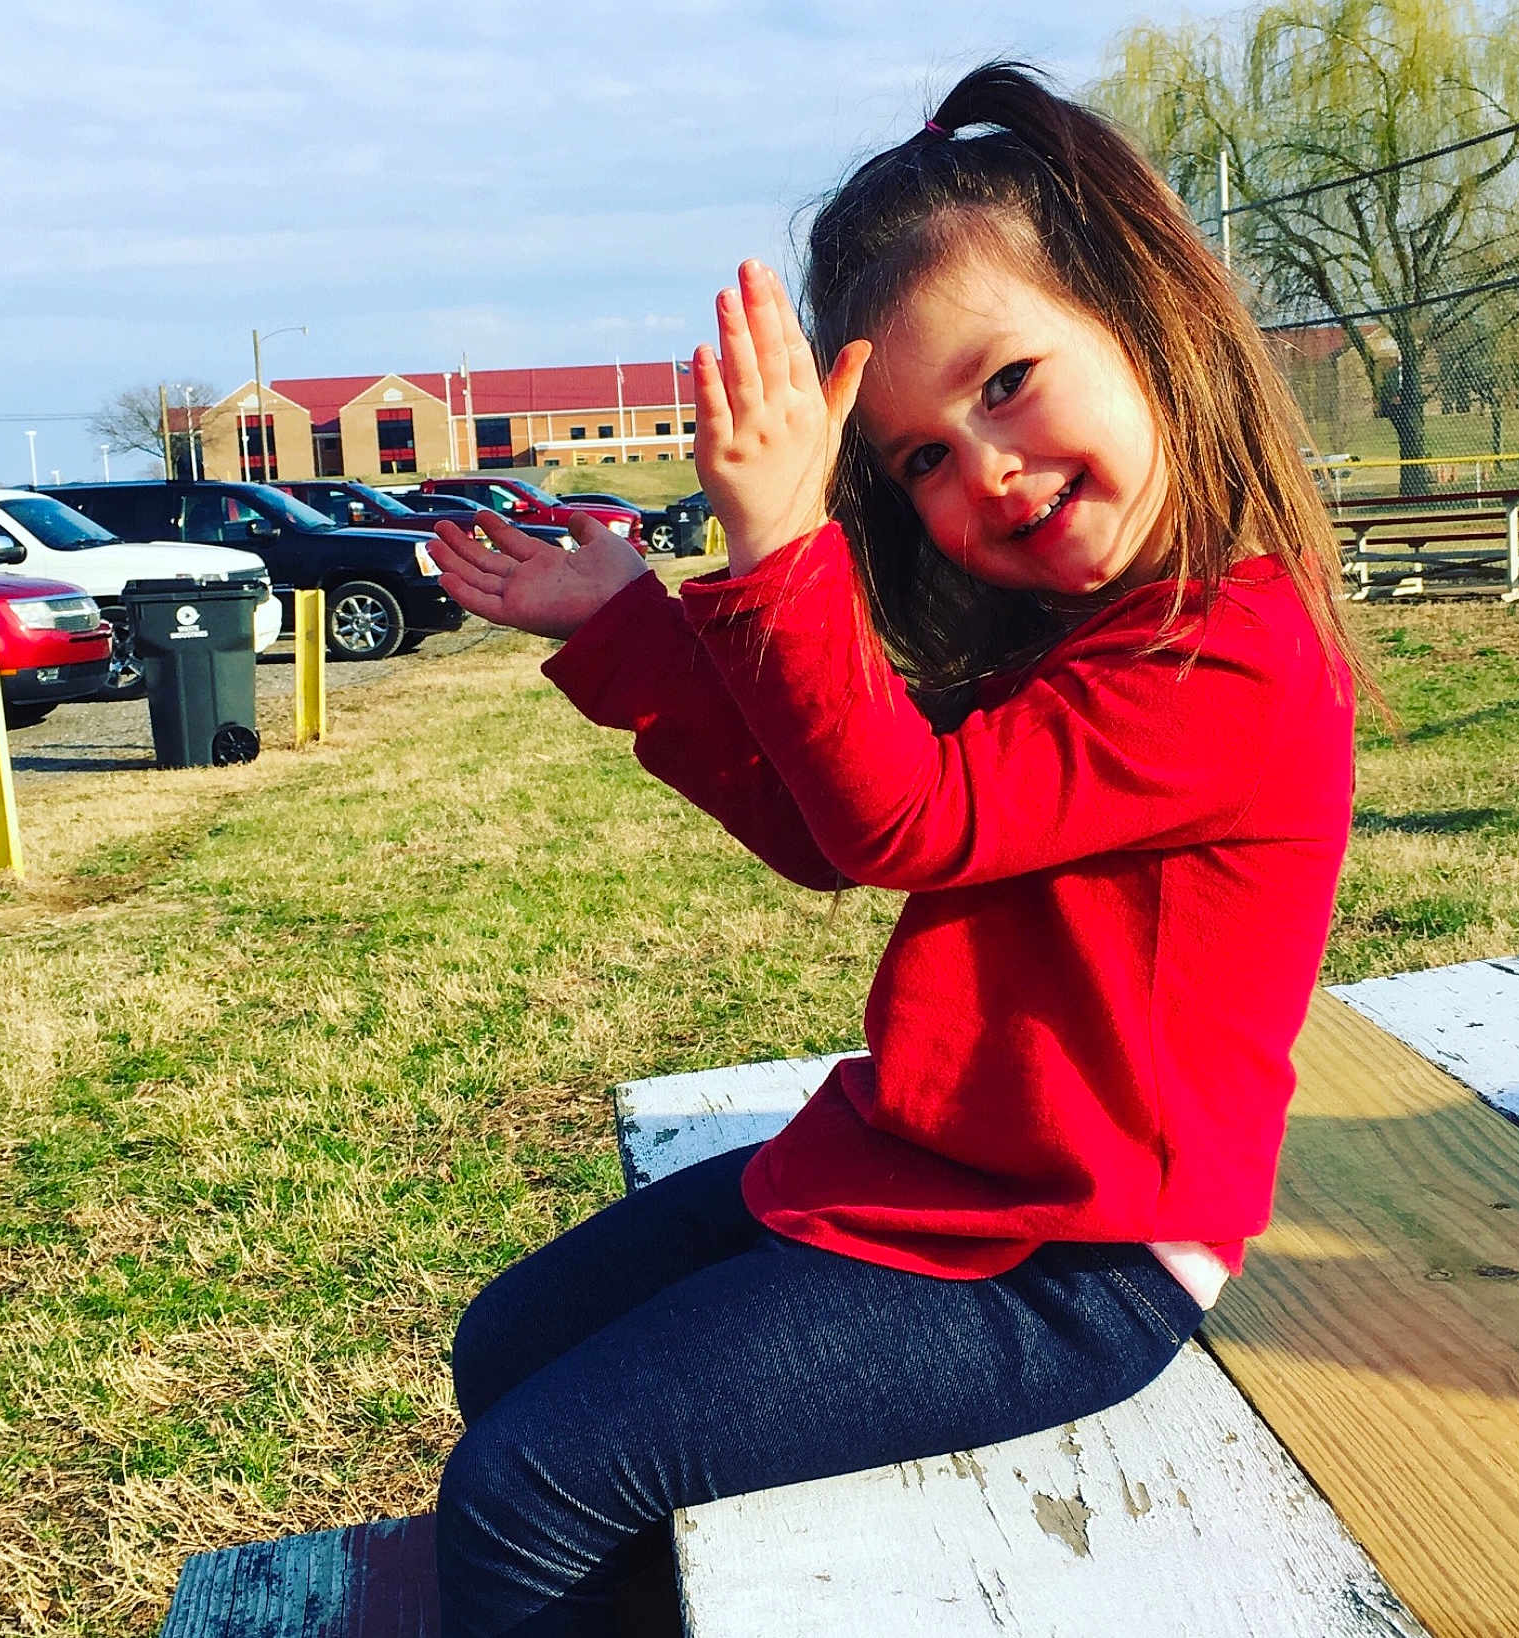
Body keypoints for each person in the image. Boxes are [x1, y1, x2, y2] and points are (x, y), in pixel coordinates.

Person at [426, 61, 1367, 1638]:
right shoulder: (1085, 634)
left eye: (1002, 383)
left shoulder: (1232, 659)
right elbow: (831, 821)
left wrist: (778, 542)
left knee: (522, 1493)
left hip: (1070, 1258)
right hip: (921, 1170)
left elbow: (905, 816)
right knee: (506, 1347)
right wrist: (627, 625)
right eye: (918, 456)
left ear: (1158, 326)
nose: (979, 468)